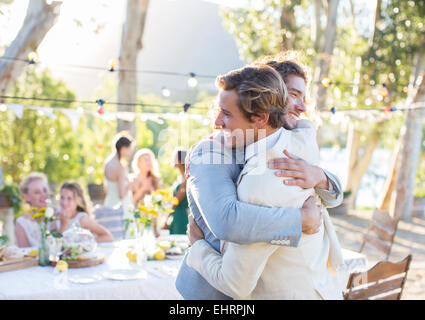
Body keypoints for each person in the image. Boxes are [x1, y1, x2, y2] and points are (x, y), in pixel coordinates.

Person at [175, 53, 343, 300]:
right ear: (269, 96)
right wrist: (299, 220)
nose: (302, 106)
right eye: (294, 95)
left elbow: (332, 193)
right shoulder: (213, 151)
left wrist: (319, 177)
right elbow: (226, 220)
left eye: (303, 97)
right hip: (212, 293)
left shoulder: (295, 141)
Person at [16, 172, 52, 247]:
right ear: (26, 197)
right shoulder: (22, 223)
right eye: (37, 192)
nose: (43, 195)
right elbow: (25, 255)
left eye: (45, 190)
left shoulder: (56, 215)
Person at [103, 131, 135, 212]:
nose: (130, 152)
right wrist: (130, 184)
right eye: (129, 149)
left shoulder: (107, 163)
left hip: (109, 203)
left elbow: (106, 188)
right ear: (123, 148)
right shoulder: (120, 167)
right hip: (121, 208)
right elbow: (121, 194)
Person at [168, 149, 189, 234]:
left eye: (175, 157)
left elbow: (176, 200)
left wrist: (167, 216)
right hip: (176, 215)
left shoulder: (186, 178)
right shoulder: (180, 177)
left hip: (182, 217)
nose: (173, 159)